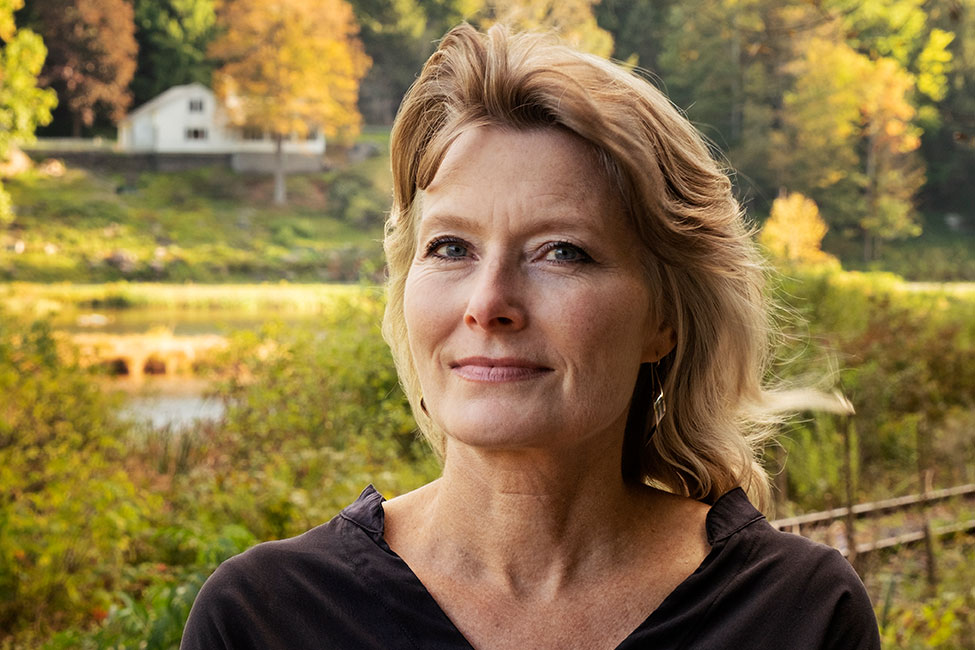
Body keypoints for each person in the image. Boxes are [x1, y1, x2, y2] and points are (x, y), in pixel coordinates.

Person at [181, 23, 881, 649]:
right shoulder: (266, 617)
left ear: (663, 318)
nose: (488, 305)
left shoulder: (795, 614)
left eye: (561, 252)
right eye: (451, 248)